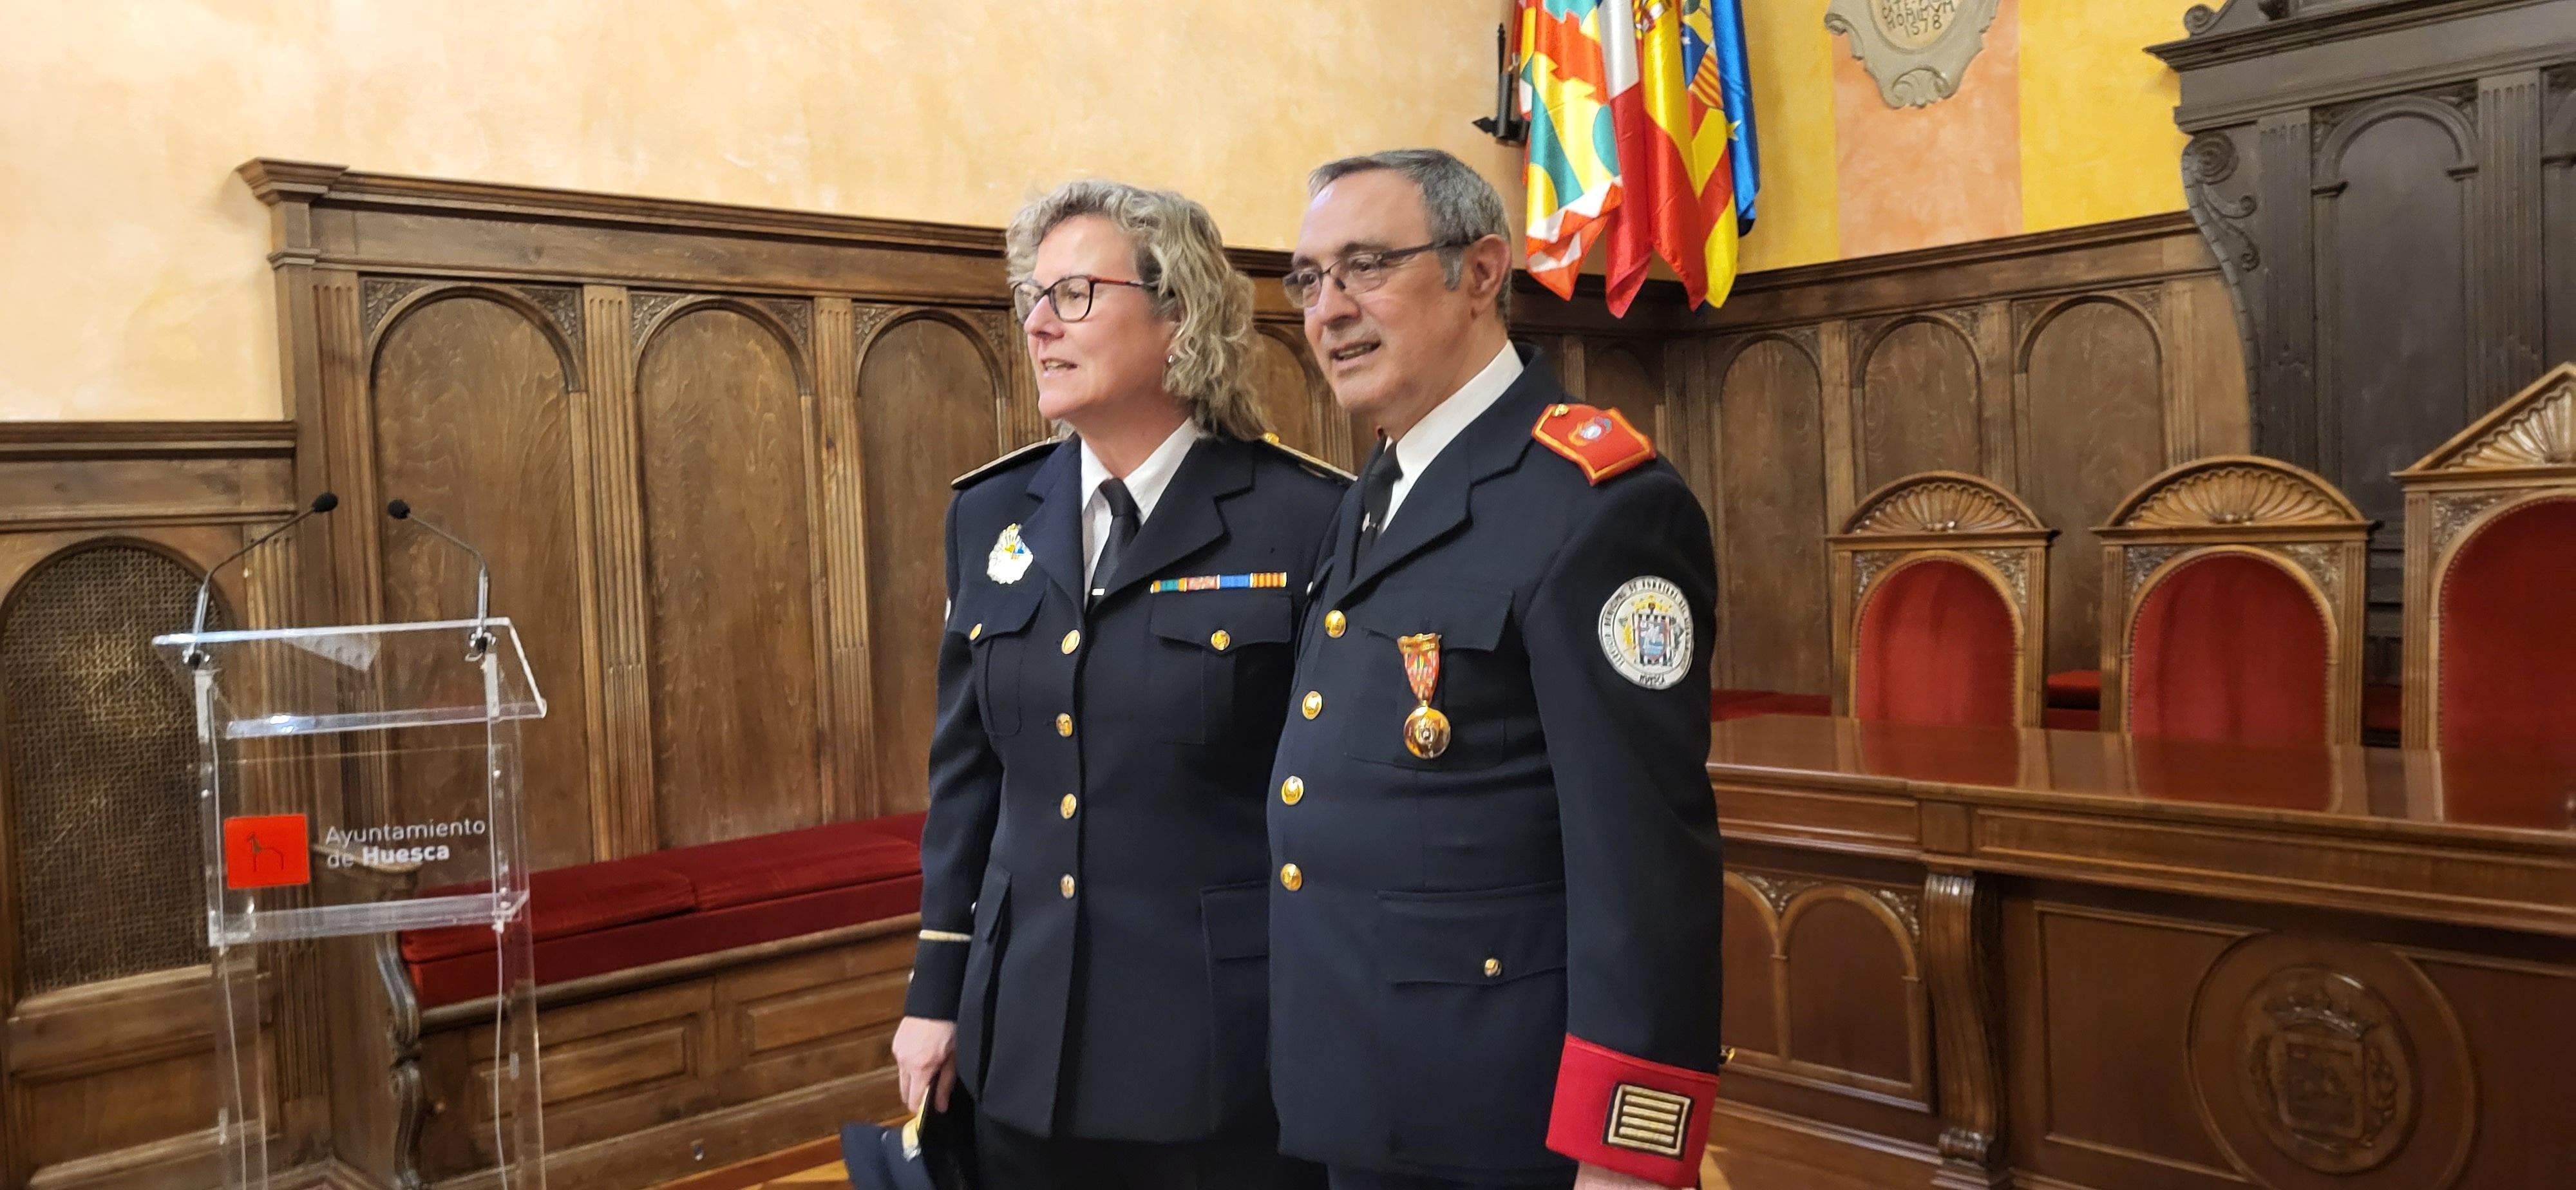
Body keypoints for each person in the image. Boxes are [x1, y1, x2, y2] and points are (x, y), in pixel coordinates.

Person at [1263, 149, 1727, 1190]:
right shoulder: (1379, 484)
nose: (1329, 309)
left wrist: (1628, 1148)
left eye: (1366, 266)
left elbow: (1644, 864)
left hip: (1507, 1115)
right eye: (1309, 278)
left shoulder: (1598, 501)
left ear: (1480, 273)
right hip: (1368, 1076)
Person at [891, 178, 1346, 1189]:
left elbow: (1335, 810)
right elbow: (967, 780)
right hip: (1021, 1040)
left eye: (1076, 295)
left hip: (1219, 1048)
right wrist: (937, 993)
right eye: (1031, 299)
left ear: (1179, 312)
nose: (1040, 325)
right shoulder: (995, 514)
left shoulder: (1304, 519)